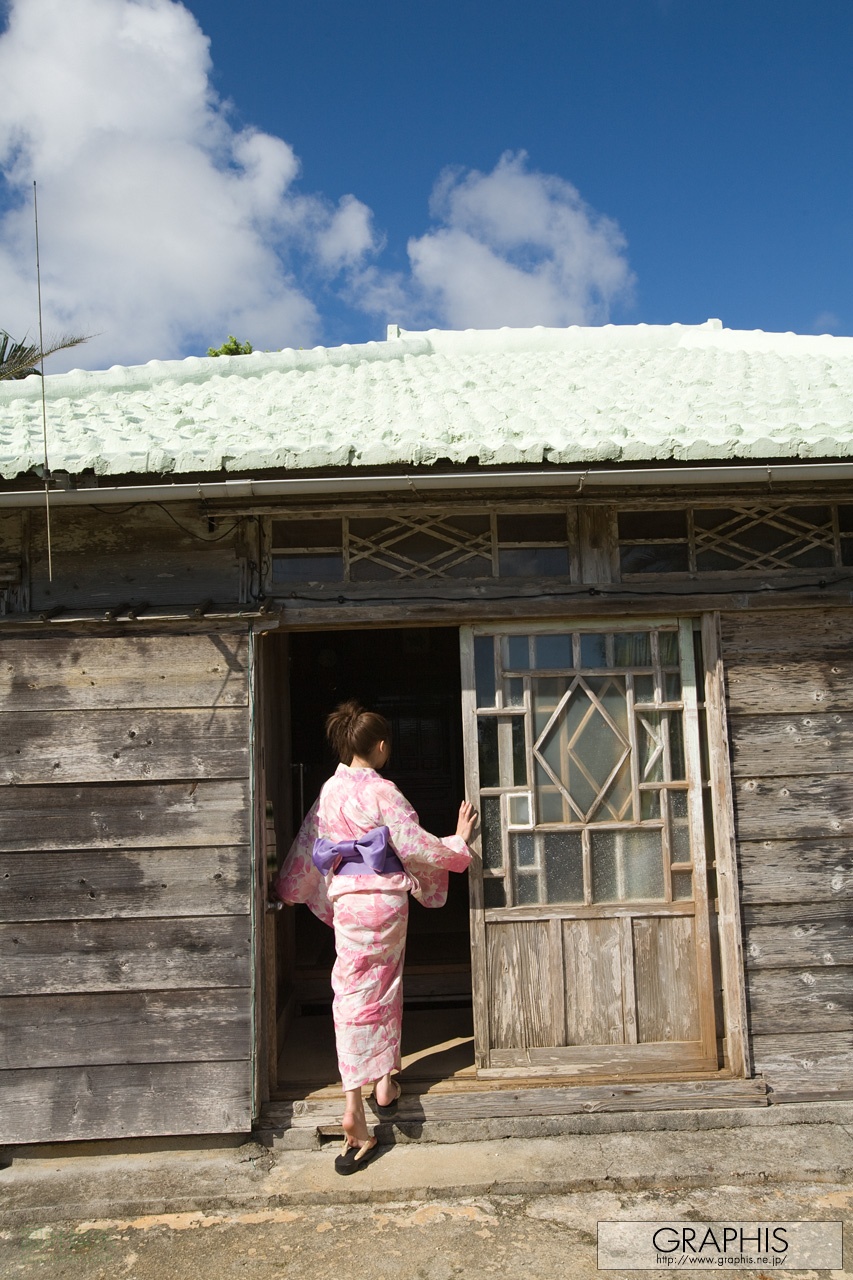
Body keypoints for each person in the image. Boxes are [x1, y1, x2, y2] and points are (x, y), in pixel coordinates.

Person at [274, 699, 476, 1175]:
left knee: (350, 996)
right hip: (385, 904)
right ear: (380, 746)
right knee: (385, 988)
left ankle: (355, 1108)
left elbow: (308, 846)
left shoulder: (328, 791)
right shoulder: (384, 791)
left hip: (349, 903)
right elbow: (412, 844)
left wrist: (286, 888)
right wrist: (457, 843)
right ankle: (384, 1082)